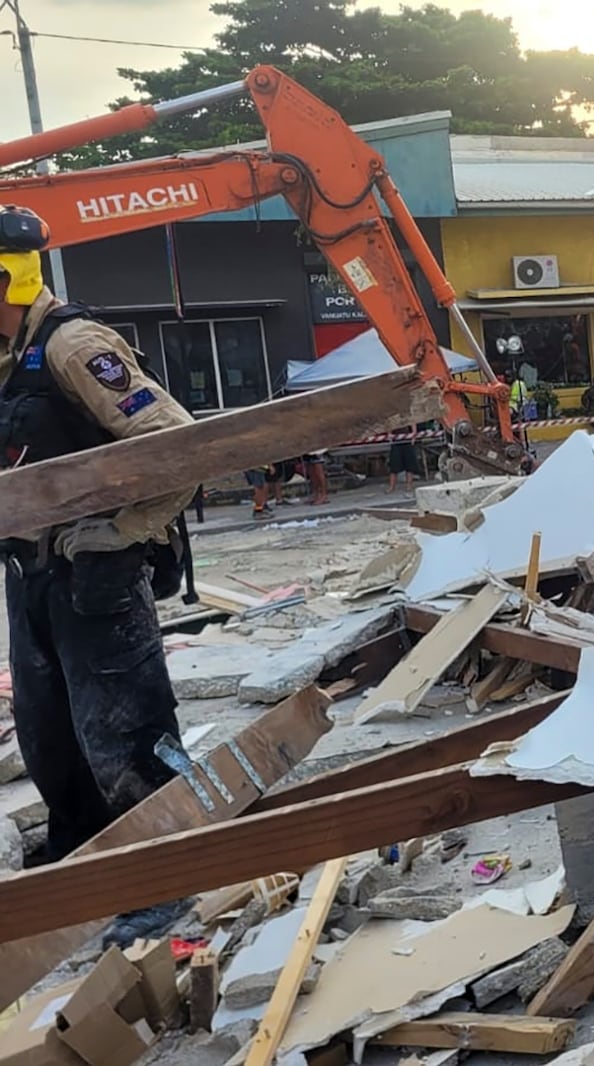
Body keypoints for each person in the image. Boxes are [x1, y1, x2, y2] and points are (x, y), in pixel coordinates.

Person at [0, 207, 198, 941]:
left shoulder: (75, 347)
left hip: (99, 576)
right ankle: (82, 858)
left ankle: (165, 878)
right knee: (49, 737)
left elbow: (179, 445)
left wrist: (119, 531)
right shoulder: (4, 353)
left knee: (128, 736)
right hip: (32, 576)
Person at [387, 427, 425, 493]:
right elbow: (389, 424)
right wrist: (389, 435)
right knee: (394, 464)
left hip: (407, 440)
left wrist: (413, 436)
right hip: (396, 441)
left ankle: (409, 486)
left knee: (409, 464)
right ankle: (391, 487)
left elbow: (412, 422)